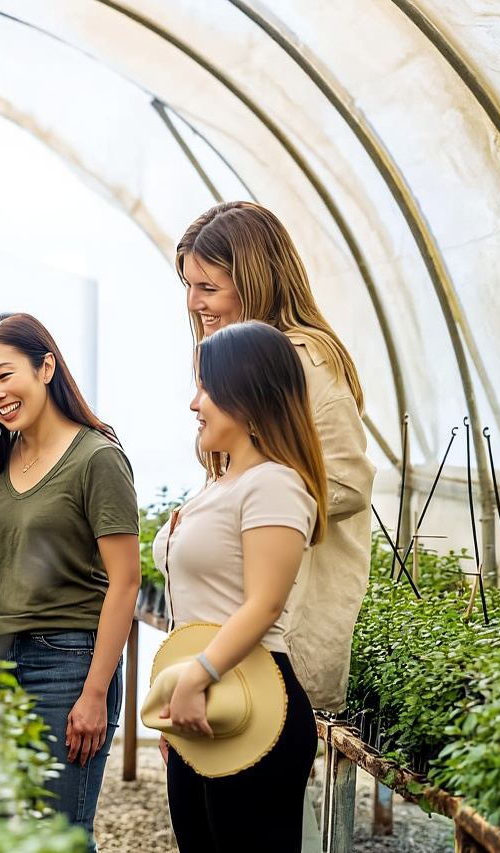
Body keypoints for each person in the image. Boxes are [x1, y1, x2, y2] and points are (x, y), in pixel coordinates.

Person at [176, 200, 375, 713]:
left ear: (256, 281)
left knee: (260, 763)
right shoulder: (235, 359)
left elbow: (347, 483)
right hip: (232, 627)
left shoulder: (306, 363)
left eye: (209, 288)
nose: (194, 302)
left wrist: (255, 508)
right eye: (189, 287)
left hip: (279, 625)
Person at [0, 312, 140, 850]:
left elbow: (125, 584)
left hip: (67, 662)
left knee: (58, 834)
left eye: (4, 374)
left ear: (46, 367)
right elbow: (0, 567)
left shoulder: (97, 459)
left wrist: (94, 694)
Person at [152, 320, 324, 851]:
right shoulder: (220, 484)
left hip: (253, 701)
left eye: (205, 388)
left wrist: (194, 678)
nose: (193, 403)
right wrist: (180, 698)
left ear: (246, 396)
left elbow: (265, 603)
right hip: (205, 698)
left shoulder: (275, 483)